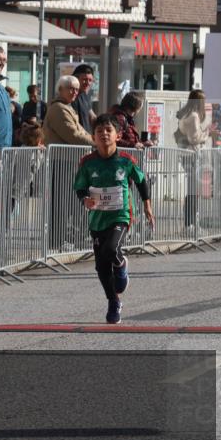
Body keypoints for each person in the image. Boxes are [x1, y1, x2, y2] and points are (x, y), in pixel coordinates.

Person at [73, 114, 154, 324]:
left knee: (110, 250)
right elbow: (80, 187)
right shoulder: (88, 162)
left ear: (117, 135)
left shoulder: (125, 160)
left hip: (120, 215)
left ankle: (120, 265)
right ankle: (113, 301)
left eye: (108, 131)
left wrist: (147, 205)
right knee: (101, 266)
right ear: (93, 137)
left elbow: (142, 180)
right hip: (97, 219)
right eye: (99, 131)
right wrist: (85, 200)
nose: (104, 134)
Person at [176, 89, 213, 229]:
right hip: (192, 156)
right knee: (193, 191)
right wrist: (207, 134)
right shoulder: (193, 116)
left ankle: (190, 222)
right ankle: (189, 223)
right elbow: (194, 138)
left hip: (187, 155)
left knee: (193, 190)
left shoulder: (186, 114)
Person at [42, 75, 94, 146]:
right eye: (71, 88)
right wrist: (96, 143)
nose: (75, 92)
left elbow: (81, 131)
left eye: (77, 90)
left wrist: (95, 139)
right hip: (61, 156)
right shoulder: (58, 108)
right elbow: (73, 135)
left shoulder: (66, 107)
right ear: (60, 89)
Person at [72, 64, 97, 134]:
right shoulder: (70, 97)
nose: (88, 83)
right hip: (76, 138)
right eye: (84, 80)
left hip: (85, 138)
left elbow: (92, 117)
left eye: (90, 80)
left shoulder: (84, 95)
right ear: (75, 79)